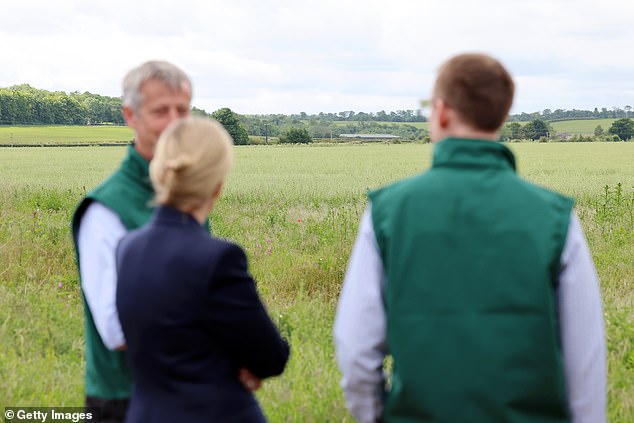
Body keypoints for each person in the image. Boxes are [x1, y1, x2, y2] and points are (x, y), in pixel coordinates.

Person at [334, 53, 606, 423]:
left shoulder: (386, 211)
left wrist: (376, 416)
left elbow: (355, 349)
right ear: (502, 114)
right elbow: (585, 362)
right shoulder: (556, 216)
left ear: (442, 112)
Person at [115, 116, 290, 422]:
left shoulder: (127, 248)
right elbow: (270, 357)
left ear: (160, 172)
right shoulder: (218, 258)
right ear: (217, 186)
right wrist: (238, 365)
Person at [71, 60, 193, 422]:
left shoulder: (187, 196)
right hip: (126, 400)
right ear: (130, 116)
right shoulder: (106, 209)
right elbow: (116, 328)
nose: (174, 122)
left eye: (182, 110)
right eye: (160, 111)